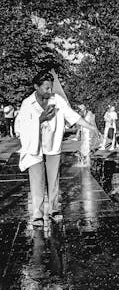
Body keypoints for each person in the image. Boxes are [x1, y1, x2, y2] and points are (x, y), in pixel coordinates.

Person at [17, 70, 99, 226]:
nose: (50, 91)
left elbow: (73, 116)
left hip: (52, 146)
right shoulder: (27, 104)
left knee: (53, 180)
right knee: (37, 181)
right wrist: (40, 119)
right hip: (34, 148)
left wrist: (92, 127)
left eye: (51, 87)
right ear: (36, 87)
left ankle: (54, 210)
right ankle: (37, 215)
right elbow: (20, 127)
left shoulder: (57, 100)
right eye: (46, 88)